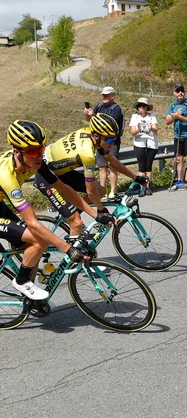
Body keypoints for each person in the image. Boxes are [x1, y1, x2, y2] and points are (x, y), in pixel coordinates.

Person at [4, 120, 110, 299]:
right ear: (17, 152)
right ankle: (21, 281)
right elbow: (33, 223)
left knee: (33, 248)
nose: (39, 155)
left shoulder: (35, 162)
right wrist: (67, 248)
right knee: (38, 241)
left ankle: (30, 299)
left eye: (42, 149)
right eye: (33, 151)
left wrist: (96, 214)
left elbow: (63, 188)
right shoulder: (7, 176)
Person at [38, 113, 148, 237]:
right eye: (110, 139)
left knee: (101, 191)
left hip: (61, 171)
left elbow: (111, 161)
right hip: (45, 176)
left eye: (115, 139)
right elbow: (90, 191)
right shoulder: (87, 153)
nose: (112, 143)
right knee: (76, 222)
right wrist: (100, 211)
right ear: (96, 136)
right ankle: (73, 252)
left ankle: (71, 213)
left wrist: (135, 177)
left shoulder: (93, 135)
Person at [84, 86, 124, 200]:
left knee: (112, 167)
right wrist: (87, 114)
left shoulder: (116, 108)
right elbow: (90, 120)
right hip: (100, 142)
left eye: (107, 95)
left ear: (113, 96)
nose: (104, 97)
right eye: (103, 95)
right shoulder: (98, 106)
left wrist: (93, 115)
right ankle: (102, 190)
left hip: (112, 141)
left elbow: (107, 123)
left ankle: (113, 191)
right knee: (102, 167)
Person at [166, 83, 187, 193]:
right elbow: (167, 121)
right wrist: (174, 116)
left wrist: (180, 117)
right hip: (177, 136)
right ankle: (180, 181)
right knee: (179, 159)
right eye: (178, 91)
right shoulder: (172, 105)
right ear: (174, 93)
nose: (180, 92)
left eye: (182, 90)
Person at [129, 97, 158, 196]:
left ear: (147, 107)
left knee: (148, 166)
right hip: (139, 143)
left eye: (144, 106)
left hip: (151, 142)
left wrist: (151, 128)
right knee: (141, 167)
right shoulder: (134, 117)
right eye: (140, 106)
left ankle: (148, 186)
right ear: (137, 107)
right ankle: (142, 187)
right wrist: (139, 129)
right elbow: (132, 132)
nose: (142, 108)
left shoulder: (152, 116)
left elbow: (155, 130)